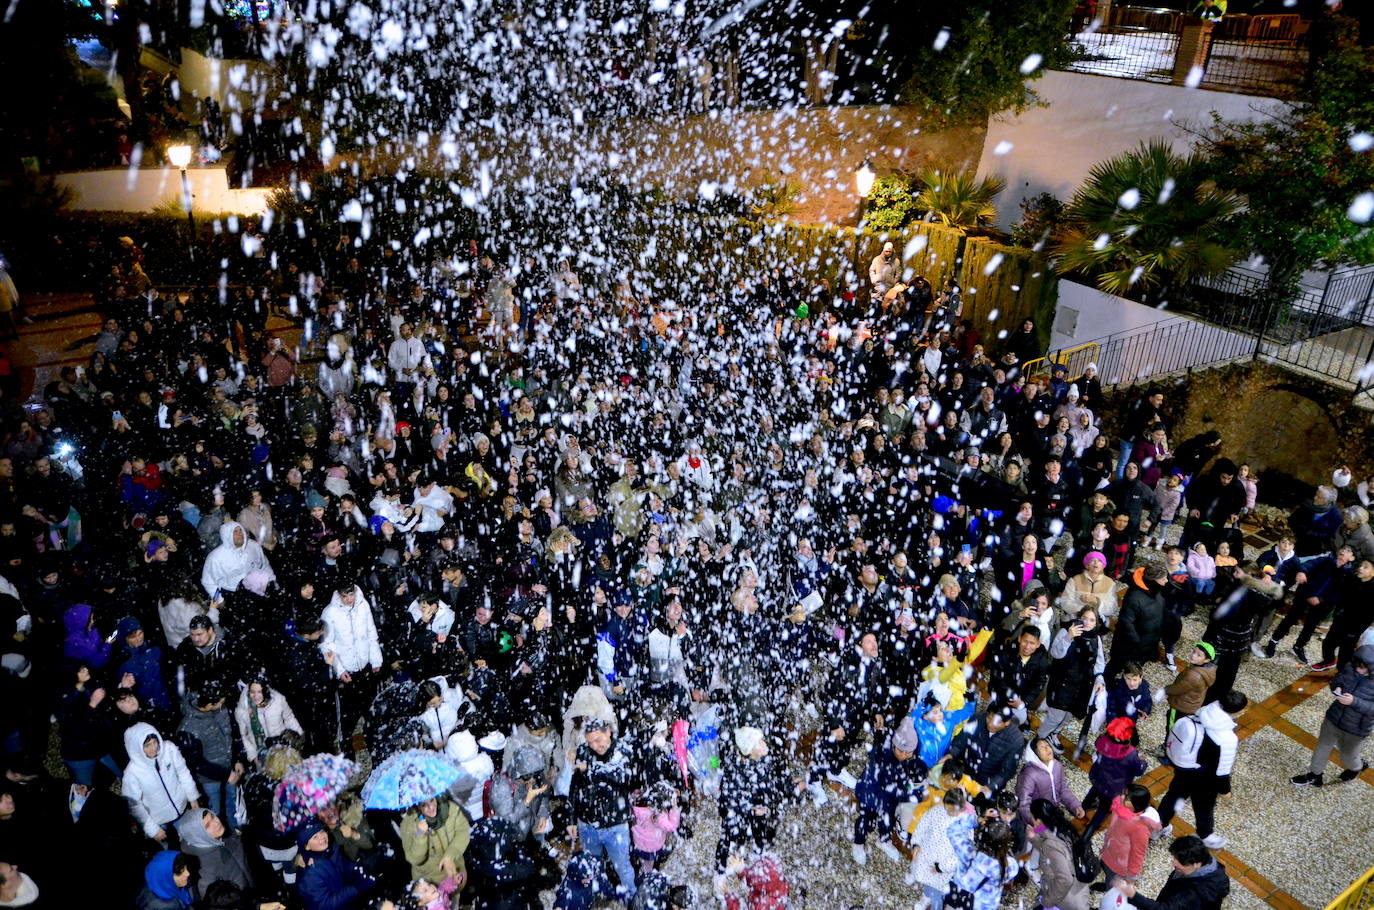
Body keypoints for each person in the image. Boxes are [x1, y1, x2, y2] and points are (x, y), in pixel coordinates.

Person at [1158, 690, 1248, 849]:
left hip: (1185, 769)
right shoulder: (1227, 737)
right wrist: (1224, 790)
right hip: (1206, 780)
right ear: (1238, 711)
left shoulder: (1205, 712)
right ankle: (1205, 835)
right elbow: (1222, 770)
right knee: (1204, 806)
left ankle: (1158, 826)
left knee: (1174, 796)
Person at [566, 718, 637, 901]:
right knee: (593, 864)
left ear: (609, 733)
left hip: (615, 825)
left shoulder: (623, 750)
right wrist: (571, 819)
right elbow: (575, 787)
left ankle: (633, 899)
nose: (595, 746)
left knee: (622, 866)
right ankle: (600, 891)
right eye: (590, 742)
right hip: (587, 825)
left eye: (598, 740)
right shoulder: (584, 751)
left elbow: (622, 778)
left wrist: (591, 768)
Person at [1291, 644, 1374, 786]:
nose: (1358, 670)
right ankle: (1315, 775)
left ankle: (1357, 767)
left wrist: (1354, 701)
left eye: (1363, 668)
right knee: (1322, 747)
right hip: (1334, 717)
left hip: (1356, 729)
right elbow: (1337, 680)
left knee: (1348, 756)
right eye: (1357, 666)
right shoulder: (1350, 667)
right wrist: (1337, 686)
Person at [851, 716, 927, 866]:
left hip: (888, 795)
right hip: (871, 792)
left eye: (908, 752)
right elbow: (894, 789)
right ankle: (858, 844)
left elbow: (909, 772)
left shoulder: (910, 749)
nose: (905, 755)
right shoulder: (885, 758)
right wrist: (913, 794)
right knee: (865, 819)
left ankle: (884, 840)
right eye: (902, 751)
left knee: (888, 818)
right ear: (894, 745)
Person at [122, 723, 200, 844]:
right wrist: (153, 830)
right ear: (136, 748)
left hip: (181, 808)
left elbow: (183, 773)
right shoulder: (131, 773)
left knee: (191, 841)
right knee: (170, 854)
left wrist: (192, 798)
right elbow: (134, 805)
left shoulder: (169, 749)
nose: (153, 748)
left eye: (155, 742)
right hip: (158, 820)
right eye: (147, 745)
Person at [1112, 835, 1230, 910]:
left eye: (1180, 862)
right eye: (1175, 858)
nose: (1174, 863)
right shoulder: (1202, 863)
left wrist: (1132, 895)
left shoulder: (1194, 894)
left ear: (1197, 864)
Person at [1096, 784, 1160, 892]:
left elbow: (1138, 854)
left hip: (1119, 863)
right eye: (1123, 794)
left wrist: (1131, 876)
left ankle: (1109, 890)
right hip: (1109, 850)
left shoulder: (1140, 828)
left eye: (1127, 798)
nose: (1121, 797)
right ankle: (1107, 884)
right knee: (1106, 870)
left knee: (1112, 883)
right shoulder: (1120, 807)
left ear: (1136, 805)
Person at [1028, 799, 1090, 910]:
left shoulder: (1050, 845)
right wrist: (1034, 838)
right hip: (1079, 891)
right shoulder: (1063, 826)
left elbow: (1065, 879)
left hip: (1067, 901)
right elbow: (1054, 848)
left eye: (1032, 817)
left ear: (1038, 820)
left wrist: (1047, 901)